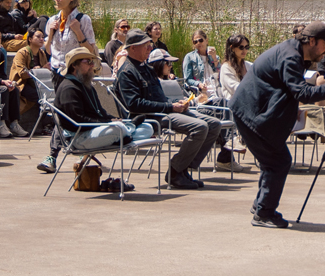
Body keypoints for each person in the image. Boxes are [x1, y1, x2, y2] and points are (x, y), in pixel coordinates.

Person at [232, 22, 325, 229]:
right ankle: (263, 213)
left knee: (272, 161)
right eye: (324, 44)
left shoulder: (294, 52)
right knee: (279, 161)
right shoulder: (291, 57)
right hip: (250, 113)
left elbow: (286, 88)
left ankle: (261, 206)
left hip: (254, 111)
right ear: (311, 41)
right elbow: (303, 93)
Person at [116, 29, 220, 189]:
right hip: (150, 117)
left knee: (214, 124)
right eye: (146, 46)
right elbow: (135, 105)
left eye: (149, 45)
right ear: (133, 48)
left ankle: (183, 168)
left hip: (164, 110)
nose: (150, 49)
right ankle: (175, 171)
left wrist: (178, 103)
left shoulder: (147, 69)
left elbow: (159, 97)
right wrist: (170, 106)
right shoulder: (127, 72)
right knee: (200, 127)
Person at [37, 46, 140, 182]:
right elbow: (77, 120)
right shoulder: (69, 88)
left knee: (146, 128)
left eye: (92, 62)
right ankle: (127, 132)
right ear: (75, 65)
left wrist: (112, 119)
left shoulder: (86, 85)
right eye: (88, 62)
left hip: (92, 131)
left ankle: (128, 131)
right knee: (118, 129)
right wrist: (109, 123)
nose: (92, 65)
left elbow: (100, 112)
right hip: (78, 137)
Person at [46, 0, 96, 70]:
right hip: (55, 69)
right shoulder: (52, 20)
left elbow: (90, 50)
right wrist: (51, 33)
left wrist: (78, 31)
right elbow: (48, 51)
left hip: (75, 71)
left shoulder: (83, 19)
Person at [182, 30, 220, 96]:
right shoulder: (189, 57)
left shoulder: (215, 56)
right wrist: (198, 84)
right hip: (201, 91)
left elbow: (219, 73)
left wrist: (214, 58)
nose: (198, 43)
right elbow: (187, 79)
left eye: (201, 40)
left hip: (216, 88)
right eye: (195, 42)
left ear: (206, 40)